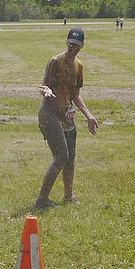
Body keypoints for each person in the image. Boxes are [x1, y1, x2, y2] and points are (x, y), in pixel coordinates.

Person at [34, 27, 99, 209]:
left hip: (67, 115)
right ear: (66, 42)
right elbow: (44, 85)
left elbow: (76, 94)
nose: (73, 47)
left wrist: (88, 116)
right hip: (50, 114)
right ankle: (42, 200)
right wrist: (46, 90)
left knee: (70, 158)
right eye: (71, 43)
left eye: (77, 45)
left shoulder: (79, 66)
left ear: (82, 46)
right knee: (61, 156)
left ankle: (68, 196)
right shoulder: (56, 61)